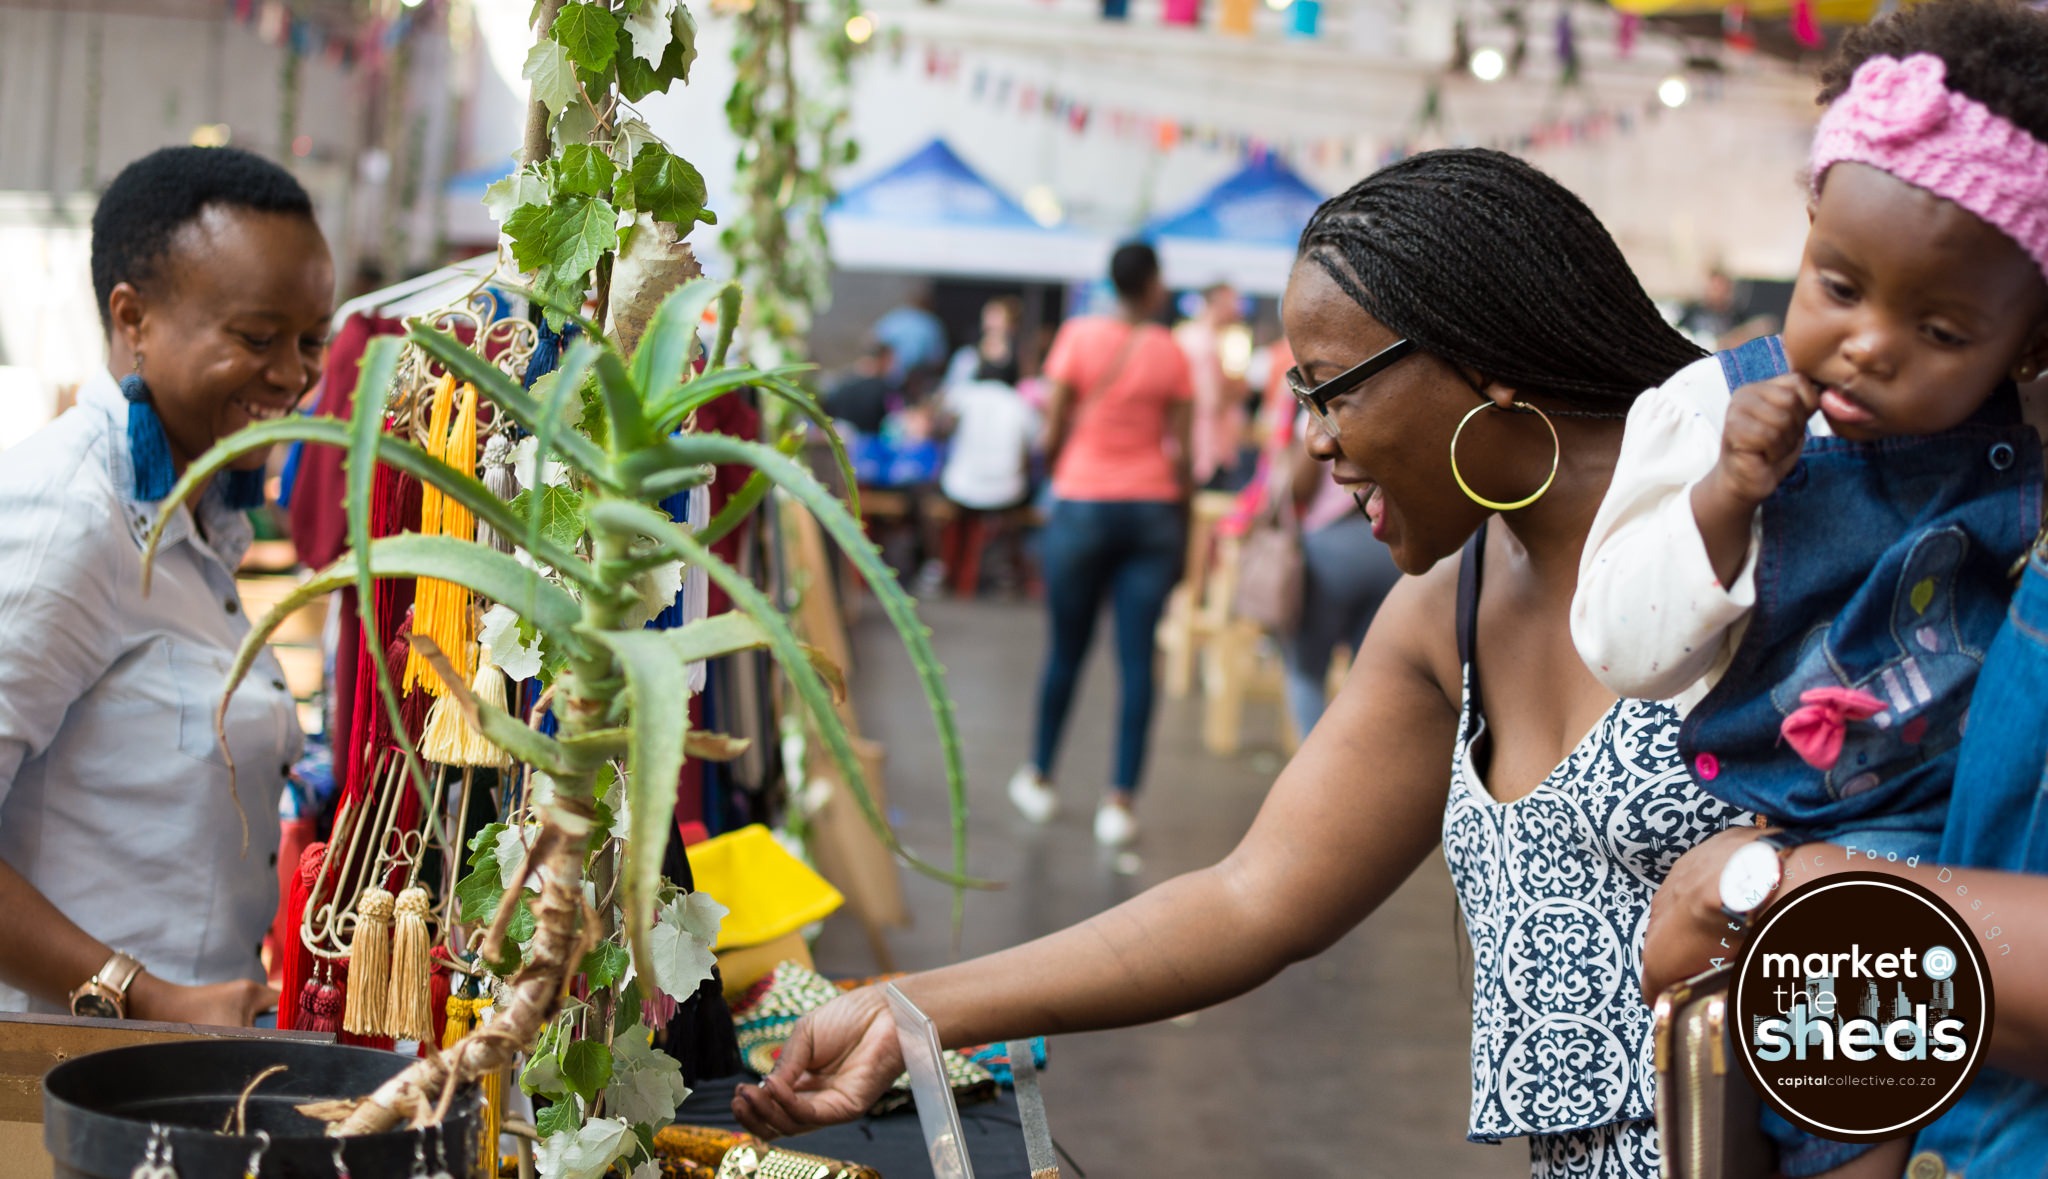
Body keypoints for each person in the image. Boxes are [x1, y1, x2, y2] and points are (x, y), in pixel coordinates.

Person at [737, 150, 1746, 1177]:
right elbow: (1249, 897)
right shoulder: (1450, 607)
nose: (1311, 442)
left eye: (1330, 393)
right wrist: (903, 1010)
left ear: (1481, 364)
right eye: (1298, 397)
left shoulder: (1754, 545)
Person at [0, 146, 331, 1025]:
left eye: (310, 343)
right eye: (259, 339)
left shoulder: (201, 517)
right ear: (133, 317)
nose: (294, 375)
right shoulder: (72, 514)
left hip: (169, 1075)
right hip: (52, 1096)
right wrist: (148, 995)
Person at [1004, 243, 1194, 848]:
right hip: (1151, 512)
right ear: (1153, 284)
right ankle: (1119, 803)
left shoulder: (1078, 336)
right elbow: (1183, 452)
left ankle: (1038, 777)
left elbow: (1053, 428)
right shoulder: (1173, 351)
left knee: (1066, 650)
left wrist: (1065, 474)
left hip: (1083, 506)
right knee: (1139, 661)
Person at [1257, 339, 1403, 737]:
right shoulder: (1385, 388)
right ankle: (1362, 767)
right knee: (1367, 676)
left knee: (1305, 669)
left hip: (1329, 550)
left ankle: (1317, 763)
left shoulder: (1317, 400)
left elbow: (1299, 488)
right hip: (1387, 549)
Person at [1176, 281, 1250, 490]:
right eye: (1233, 303)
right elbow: (1214, 400)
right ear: (1217, 303)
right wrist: (1237, 388)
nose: (1238, 310)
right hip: (1210, 448)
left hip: (1197, 444)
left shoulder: (1184, 336)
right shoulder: (1206, 344)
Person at [871, 284, 949, 399]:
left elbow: (874, 341)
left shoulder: (895, 317)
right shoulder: (931, 323)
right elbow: (938, 359)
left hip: (892, 375)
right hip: (917, 380)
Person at [821, 339, 898, 438]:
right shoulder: (884, 388)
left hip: (843, 439)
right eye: (890, 361)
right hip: (872, 446)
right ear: (882, 360)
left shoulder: (843, 380)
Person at [943, 295, 1022, 389]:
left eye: (996, 316)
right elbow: (953, 385)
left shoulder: (1019, 353)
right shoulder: (969, 353)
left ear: (1008, 321)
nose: (990, 322)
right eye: (988, 316)